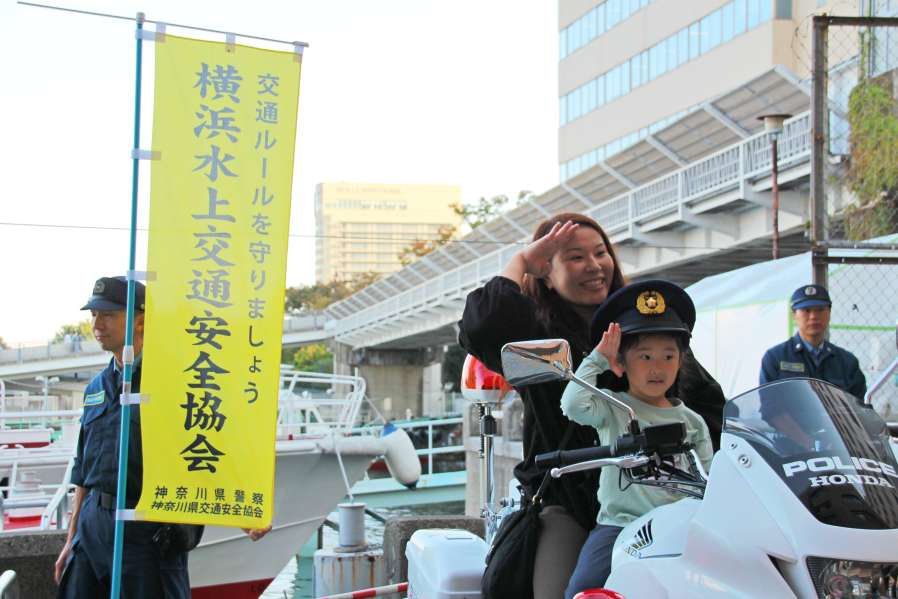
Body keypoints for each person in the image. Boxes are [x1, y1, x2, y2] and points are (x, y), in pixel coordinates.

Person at [458, 213, 725, 598]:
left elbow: (710, 412)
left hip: (659, 502)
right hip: (571, 503)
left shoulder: (645, 332)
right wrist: (522, 263)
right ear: (547, 273)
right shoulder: (539, 335)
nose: (594, 266)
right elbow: (482, 325)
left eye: (600, 253)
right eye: (574, 257)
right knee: (567, 591)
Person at [562, 280, 714, 598]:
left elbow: (710, 483)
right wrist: (599, 359)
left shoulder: (693, 421)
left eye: (668, 356)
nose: (657, 367)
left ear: (681, 361)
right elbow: (573, 404)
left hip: (678, 529)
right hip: (619, 526)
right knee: (582, 589)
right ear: (623, 361)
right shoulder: (613, 407)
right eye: (644, 357)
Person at [55, 276, 191, 598]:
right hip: (92, 528)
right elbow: (82, 469)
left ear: (140, 321)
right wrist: (71, 540)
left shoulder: (173, 383)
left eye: (108, 315)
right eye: (94, 315)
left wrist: (245, 518)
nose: (97, 324)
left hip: (146, 528)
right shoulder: (96, 388)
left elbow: (206, 448)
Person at [759, 284, 866, 398]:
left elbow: (857, 408)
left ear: (829, 313)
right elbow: (769, 406)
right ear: (794, 315)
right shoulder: (775, 358)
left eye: (820, 310)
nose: (813, 316)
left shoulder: (846, 362)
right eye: (806, 310)